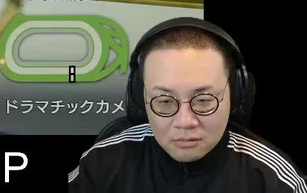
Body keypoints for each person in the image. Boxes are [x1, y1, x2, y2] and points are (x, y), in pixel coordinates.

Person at [69, 18, 303, 191]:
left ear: (235, 94)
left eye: (204, 101)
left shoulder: (274, 180)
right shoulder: (100, 166)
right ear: (141, 98)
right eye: (164, 101)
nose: (185, 122)